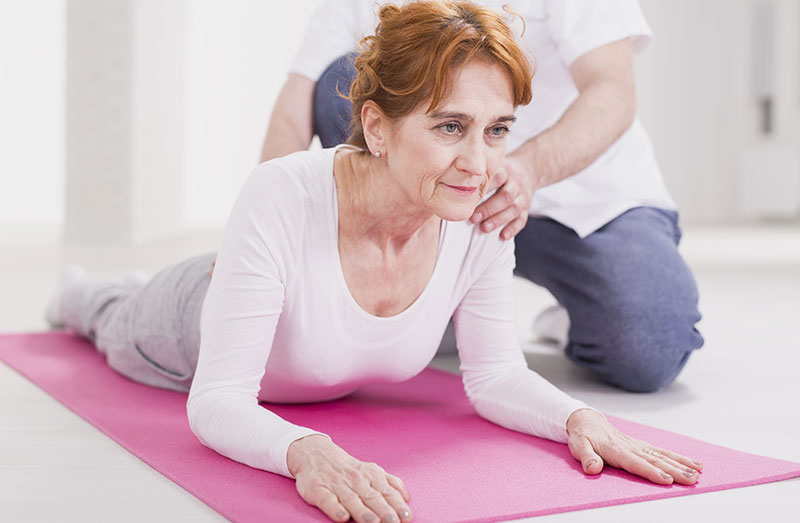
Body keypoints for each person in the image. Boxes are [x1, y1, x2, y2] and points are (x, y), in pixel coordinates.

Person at [47, 3, 702, 522]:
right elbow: (216, 399)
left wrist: (576, 418)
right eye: (450, 126)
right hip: (190, 316)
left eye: (497, 129)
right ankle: (88, 294)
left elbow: (496, 372)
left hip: (332, 359)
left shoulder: (478, 209)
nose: (479, 162)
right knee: (108, 319)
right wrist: (305, 451)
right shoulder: (282, 192)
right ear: (377, 126)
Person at [264, 0, 704, 393]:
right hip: (435, 196)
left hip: (581, 198)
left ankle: (564, 315)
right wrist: (270, 235)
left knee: (649, 344)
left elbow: (612, 89)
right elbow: (294, 108)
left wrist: (528, 169)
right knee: (339, 78)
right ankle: (428, 292)